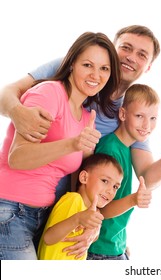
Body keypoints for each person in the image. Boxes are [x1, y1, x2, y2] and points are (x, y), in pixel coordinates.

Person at [0, 25, 161, 259]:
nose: (95, 74)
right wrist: (18, 111)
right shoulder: (53, 86)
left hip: (57, 210)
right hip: (15, 207)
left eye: (142, 54)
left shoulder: (118, 111)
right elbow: (8, 95)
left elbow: (142, 176)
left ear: (147, 66)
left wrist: (92, 221)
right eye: (126, 48)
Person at [0, 31, 121, 260]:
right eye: (88, 65)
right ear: (72, 63)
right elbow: (17, 157)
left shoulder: (86, 117)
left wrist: (90, 223)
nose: (96, 74)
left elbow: (81, 181)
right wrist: (72, 144)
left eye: (104, 68)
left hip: (44, 216)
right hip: (10, 209)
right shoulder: (49, 93)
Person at [88, 84, 160, 260]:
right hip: (100, 249)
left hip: (115, 245)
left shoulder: (126, 148)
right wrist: (134, 199)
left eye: (153, 118)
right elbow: (98, 209)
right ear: (122, 114)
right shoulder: (110, 150)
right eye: (139, 116)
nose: (147, 125)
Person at [37, 153, 124, 260]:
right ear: (84, 177)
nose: (110, 191)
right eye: (105, 181)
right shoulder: (74, 200)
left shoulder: (92, 212)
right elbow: (48, 238)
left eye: (115, 187)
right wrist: (77, 219)